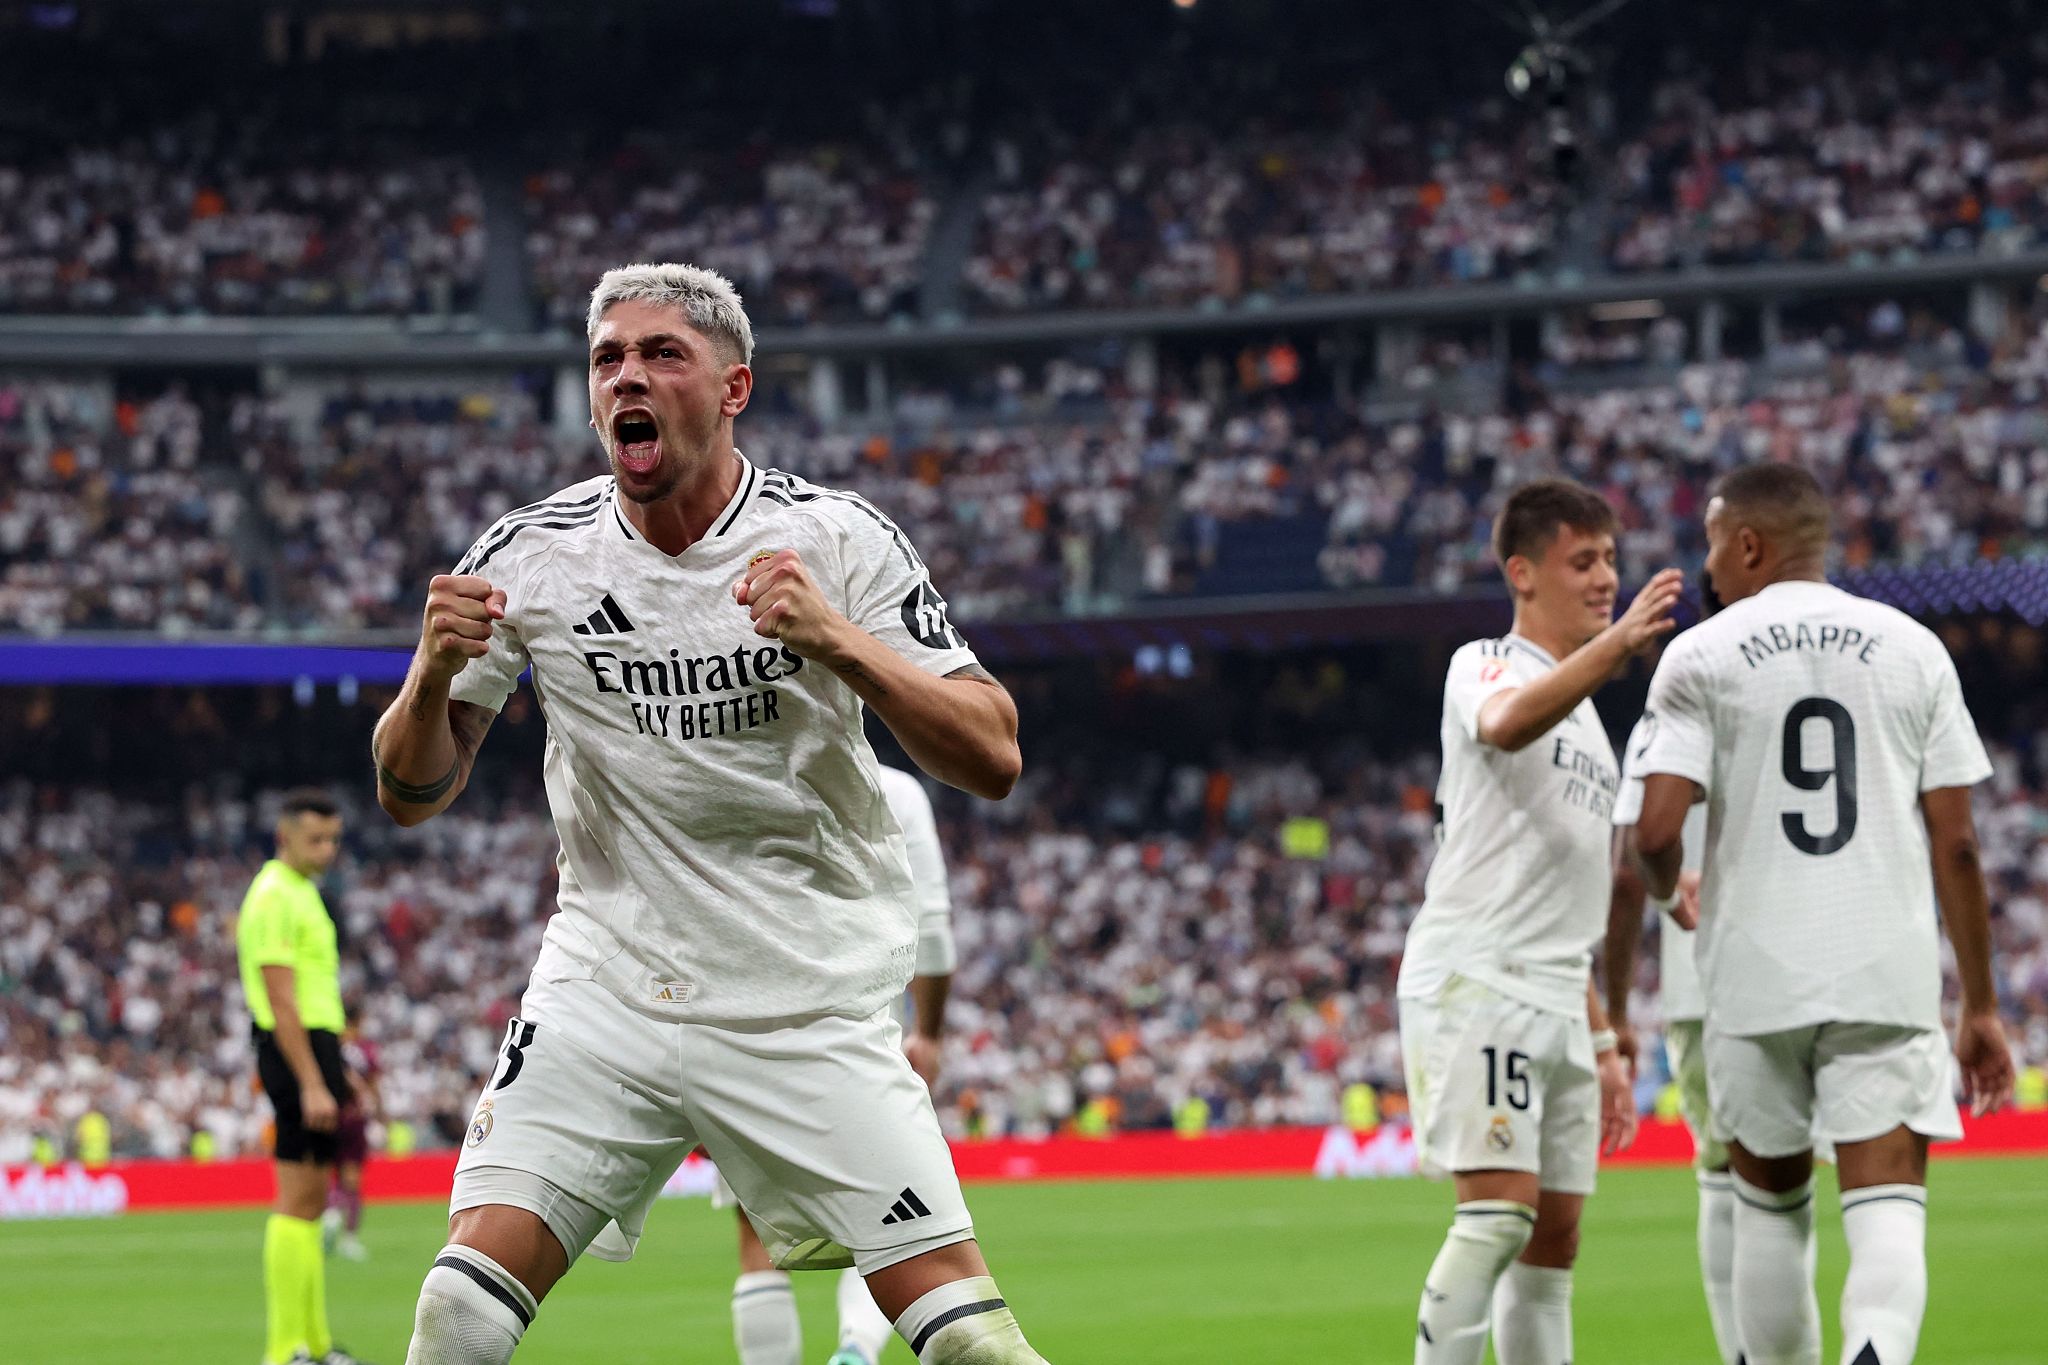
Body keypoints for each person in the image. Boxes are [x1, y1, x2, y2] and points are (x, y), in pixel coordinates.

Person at [372, 262, 1046, 1365]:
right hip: (608, 985)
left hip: (802, 994)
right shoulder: (530, 555)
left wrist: (837, 642)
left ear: (732, 388)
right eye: (607, 359)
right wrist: (429, 676)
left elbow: (994, 754)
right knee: (456, 1313)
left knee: (974, 1346)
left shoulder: (838, 539)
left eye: (658, 355)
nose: (625, 377)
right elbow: (411, 794)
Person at [1633, 462, 2015, 1365]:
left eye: (1716, 543)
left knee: (1770, 1210)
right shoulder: (1915, 647)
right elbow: (1957, 844)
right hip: (1881, 966)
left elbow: (1654, 831)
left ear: (1752, 544)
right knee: (1887, 1209)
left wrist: (1664, 887)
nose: (1710, 567)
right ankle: (1873, 1350)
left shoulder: (1703, 652)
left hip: (1754, 976)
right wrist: (1982, 1006)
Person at [1400, 479, 1680, 1365]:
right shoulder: (1485, 661)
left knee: (1553, 1241)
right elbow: (1506, 722)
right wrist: (1625, 642)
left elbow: (1573, 900)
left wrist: (1601, 1037)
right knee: (1495, 1217)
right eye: (1584, 560)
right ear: (1522, 572)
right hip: (1480, 974)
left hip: (1558, 993)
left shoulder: (1593, 728)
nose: (1606, 579)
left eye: (1610, 559)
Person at [722, 762, 956, 1365]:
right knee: (887, 1216)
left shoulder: (737, 775)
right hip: (860, 1034)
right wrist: (927, 1033)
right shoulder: (898, 792)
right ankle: (856, 1348)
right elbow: (931, 926)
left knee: (756, 1231)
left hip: (745, 1031)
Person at [1607, 716, 1736, 1363]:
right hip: (1812, 970)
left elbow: (1632, 869)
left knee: (1721, 1171)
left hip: (1701, 977)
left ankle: (1743, 1353)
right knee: (1795, 1182)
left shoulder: (1671, 705)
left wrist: (1617, 1011)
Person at [235, 787, 372, 1365]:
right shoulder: (273, 896)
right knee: (296, 1199)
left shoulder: (304, 894)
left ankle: (314, 1345)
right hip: (292, 1050)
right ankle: (282, 1348)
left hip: (316, 1048)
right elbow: (281, 1000)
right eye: (315, 838)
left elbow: (314, 999)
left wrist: (338, 1071)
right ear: (283, 837)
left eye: (333, 838)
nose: (327, 849)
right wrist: (314, 1080)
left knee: (315, 1199)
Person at [324, 1014, 386, 1262]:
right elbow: (371, 1082)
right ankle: (347, 1236)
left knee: (334, 1173)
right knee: (353, 1179)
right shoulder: (363, 1050)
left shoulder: (331, 1046)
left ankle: (330, 1212)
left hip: (332, 1117)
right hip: (354, 1118)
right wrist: (378, 1110)